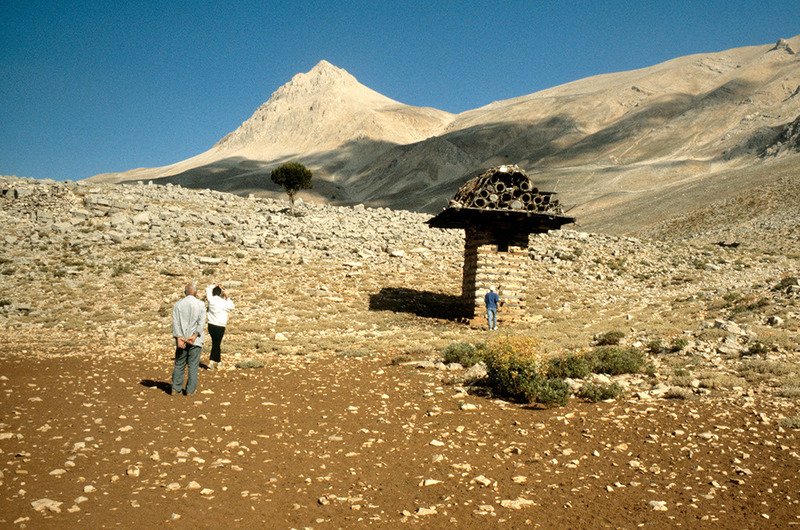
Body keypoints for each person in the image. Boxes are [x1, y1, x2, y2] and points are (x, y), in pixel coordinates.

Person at [171, 282, 206, 396]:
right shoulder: (200, 304)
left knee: (179, 363)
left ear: (185, 292)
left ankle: (176, 388)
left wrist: (179, 337)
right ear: (195, 293)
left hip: (181, 339)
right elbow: (201, 323)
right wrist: (195, 335)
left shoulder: (178, 304)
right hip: (195, 340)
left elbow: (175, 323)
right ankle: (190, 390)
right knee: (193, 365)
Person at [206, 283, 234, 370]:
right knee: (216, 344)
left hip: (211, 325)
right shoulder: (224, 302)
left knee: (215, 343)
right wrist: (227, 296)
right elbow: (232, 307)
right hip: (220, 326)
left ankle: (218, 362)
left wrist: (215, 285)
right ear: (220, 293)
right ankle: (212, 362)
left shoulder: (211, 299)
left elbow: (208, 288)